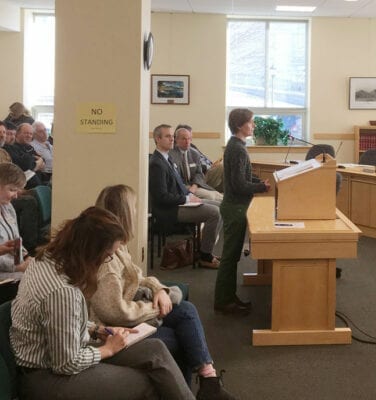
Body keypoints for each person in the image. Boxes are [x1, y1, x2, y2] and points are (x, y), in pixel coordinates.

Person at [9, 207, 196, 400]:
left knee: (155, 350)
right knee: (145, 383)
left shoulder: (46, 259)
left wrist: (97, 330)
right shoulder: (62, 291)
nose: (109, 260)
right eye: (108, 255)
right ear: (92, 251)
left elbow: (61, 322)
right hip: (46, 376)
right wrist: (107, 349)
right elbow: (65, 363)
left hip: (64, 353)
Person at [90, 184, 236, 399]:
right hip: (113, 329)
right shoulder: (106, 259)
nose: (138, 212)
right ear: (125, 214)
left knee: (185, 310)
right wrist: (152, 309)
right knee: (179, 336)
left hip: (129, 314)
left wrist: (158, 289)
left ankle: (208, 380)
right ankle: (205, 385)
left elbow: (137, 276)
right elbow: (115, 313)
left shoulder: (117, 244)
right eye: (135, 208)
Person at [214, 108, 270, 315]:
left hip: (236, 206)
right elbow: (238, 185)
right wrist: (260, 187)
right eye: (251, 122)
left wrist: (258, 182)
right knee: (229, 257)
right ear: (240, 125)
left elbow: (243, 177)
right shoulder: (237, 149)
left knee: (232, 256)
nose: (253, 125)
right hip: (235, 207)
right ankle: (223, 300)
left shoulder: (237, 146)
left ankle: (229, 297)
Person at [149, 124, 221, 269]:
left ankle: (204, 250)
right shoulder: (157, 163)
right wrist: (187, 199)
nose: (172, 140)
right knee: (214, 213)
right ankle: (204, 256)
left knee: (221, 207)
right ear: (157, 139)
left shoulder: (166, 158)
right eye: (168, 136)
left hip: (181, 201)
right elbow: (161, 197)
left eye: (172, 136)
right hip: (170, 209)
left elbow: (181, 186)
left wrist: (191, 196)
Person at [169, 126, 223, 202]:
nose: (187, 142)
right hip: (181, 187)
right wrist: (188, 188)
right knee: (211, 196)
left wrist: (195, 186)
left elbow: (199, 173)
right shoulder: (171, 154)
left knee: (219, 196)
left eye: (189, 139)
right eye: (184, 139)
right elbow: (174, 177)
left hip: (195, 185)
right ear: (177, 139)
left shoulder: (194, 153)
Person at [0, 163, 31, 281]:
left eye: (17, 191)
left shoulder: (8, 207)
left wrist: (26, 257)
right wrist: (18, 267)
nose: (16, 196)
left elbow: (16, 241)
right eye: (12, 190)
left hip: (14, 268)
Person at [4, 123, 45, 188]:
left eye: (31, 134)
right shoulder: (10, 147)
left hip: (38, 182)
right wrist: (36, 164)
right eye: (26, 133)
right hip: (25, 186)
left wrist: (38, 162)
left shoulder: (29, 147)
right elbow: (25, 164)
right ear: (18, 134)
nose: (29, 136)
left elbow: (42, 160)